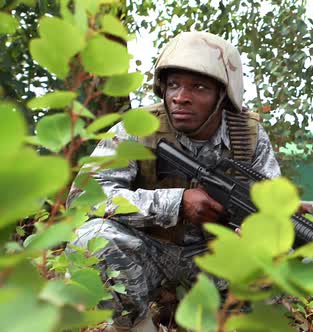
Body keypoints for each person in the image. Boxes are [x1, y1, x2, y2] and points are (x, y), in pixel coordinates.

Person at [68, 31, 281, 332]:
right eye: (174, 85)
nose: (181, 96)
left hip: (214, 261)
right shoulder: (139, 127)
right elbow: (84, 199)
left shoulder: (248, 138)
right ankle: (137, 325)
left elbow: (274, 209)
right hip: (148, 254)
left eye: (199, 87)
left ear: (223, 96)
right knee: (91, 238)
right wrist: (175, 203)